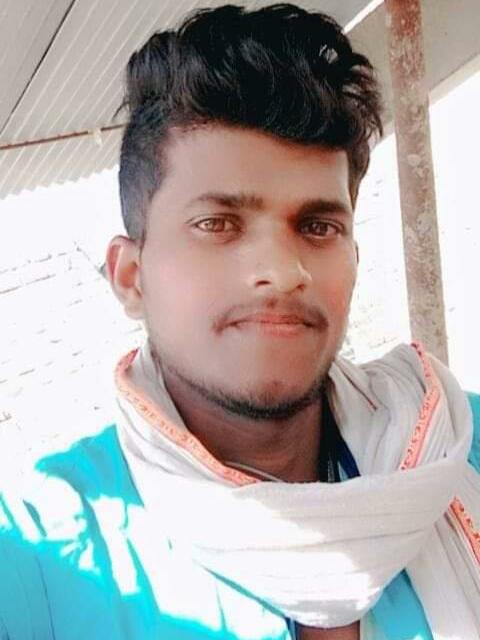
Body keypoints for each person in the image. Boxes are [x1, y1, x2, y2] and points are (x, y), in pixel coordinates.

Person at [1, 4, 479, 639]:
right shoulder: (39, 554)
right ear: (131, 277)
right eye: (218, 224)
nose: (281, 271)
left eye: (318, 226)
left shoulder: (459, 448)